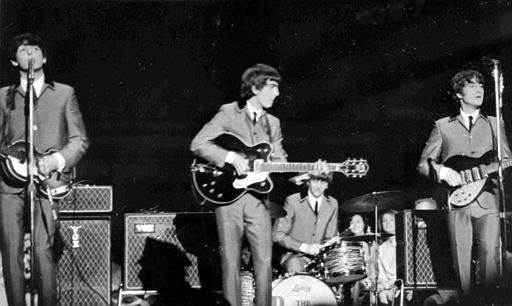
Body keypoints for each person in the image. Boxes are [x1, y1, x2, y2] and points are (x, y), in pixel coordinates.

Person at [0, 33, 88, 306]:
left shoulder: (63, 93)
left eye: (35, 49)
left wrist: (54, 161)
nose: (30, 54)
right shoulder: (3, 96)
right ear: (15, 61)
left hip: (48, 182)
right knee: (11, 252)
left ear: (45, 57)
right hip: (9, 185)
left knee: (43, 249)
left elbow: (79, 140)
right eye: (24, 50)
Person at [190, 63, 287, 306]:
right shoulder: (228, 112)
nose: (277, 94)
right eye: (272, 87)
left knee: (264, 261)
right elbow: (199, 143)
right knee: (230, 262)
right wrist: (231, 157)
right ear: (255, 87)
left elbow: (280, 160)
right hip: (228, 199)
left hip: (258, 202)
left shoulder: (272, 123)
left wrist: (304, 173)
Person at [417, 69, 511, 302]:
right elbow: (423, 164)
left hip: (487, 199)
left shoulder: (493, 123)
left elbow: (506, 160)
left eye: (481, 85)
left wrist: (494, 169)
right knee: (461, 259)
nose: (479, 89)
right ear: (459, 93)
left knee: (490, 256)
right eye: (471, 85)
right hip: (456, 202)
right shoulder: (443, 126)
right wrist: (442, 170)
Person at [272, 170, 338, 274]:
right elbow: (277, 235)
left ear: (327, 185)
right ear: (308, 181)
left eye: (323, 181)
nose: (319, 185)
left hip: (320, 259)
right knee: (295, 265)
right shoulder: (292, 201)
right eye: (315, 180)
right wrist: (305, 247)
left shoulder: (333, 204)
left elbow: (330, 237)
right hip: (295, 256)